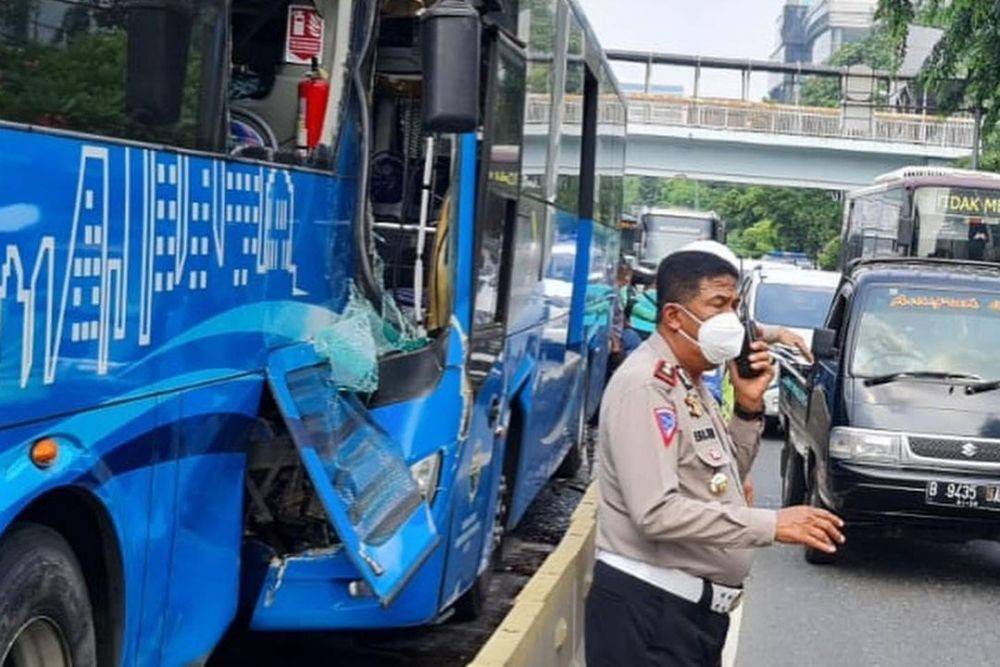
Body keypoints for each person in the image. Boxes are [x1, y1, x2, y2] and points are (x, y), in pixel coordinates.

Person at [585, 243, 845, 667]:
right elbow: (655, 512)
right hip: (649, 617)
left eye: (735, 305)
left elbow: (718, 482)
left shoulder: (689, 383)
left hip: (688, 618)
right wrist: (772, 524)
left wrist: (747, 408)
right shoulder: (647, 388)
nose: (731, 319)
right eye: (717, 304)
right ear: (673, 316)